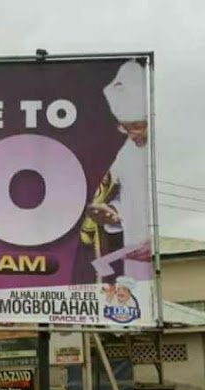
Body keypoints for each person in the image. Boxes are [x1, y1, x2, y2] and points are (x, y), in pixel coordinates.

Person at [89, 60, 151, 274]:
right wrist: (114, 212)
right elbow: (126, 196)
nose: (131, 134)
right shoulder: (127, 151)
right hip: (134, 254)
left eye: (137, 127)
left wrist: (159, 242)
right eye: (125, 128)